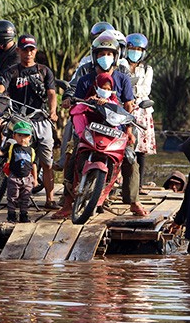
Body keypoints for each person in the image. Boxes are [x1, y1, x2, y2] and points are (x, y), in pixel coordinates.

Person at [52, 32, 147, 219]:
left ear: (116, 56)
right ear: (94, 56)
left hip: (116, 128)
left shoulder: (123, 79)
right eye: (101, 54)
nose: (105, 58)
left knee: (130, 159)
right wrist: (70, 101)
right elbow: (77, 101)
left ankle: (134, 201)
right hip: (89, 127)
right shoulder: (85, 80)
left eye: (109, 54)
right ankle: (68, 203)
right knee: (72, 155)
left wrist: (129, 131)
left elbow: (128, 105)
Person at [0, 34, 59, 209]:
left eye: (31, 50)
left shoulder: (44, 71)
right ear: (19, 51)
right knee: (9, 147)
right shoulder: (12, 71)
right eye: (25, 50)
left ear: (35, 51)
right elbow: (2, 85)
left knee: (47, 160)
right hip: (19, 118)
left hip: (41, 118)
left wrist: (53, 111)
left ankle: (50, 199)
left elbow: (52, 93)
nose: (28, 53)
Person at [125, 33, 157, 190]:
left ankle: (138, 186)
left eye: (138, 49)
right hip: (124, 108)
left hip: (141, 110)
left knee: (141, 151)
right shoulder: (120, 64)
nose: (135, 52)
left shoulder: (147, 69)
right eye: (132, 48)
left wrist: (131, 88)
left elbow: (146, 89)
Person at [4, 121, 37, 223]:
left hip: (27, 177)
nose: (22, 138)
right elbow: (2, 154)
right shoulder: (12, 147)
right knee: (12, 196)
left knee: (25, 197)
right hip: (14, 176)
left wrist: (35, 179)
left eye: (26, 136)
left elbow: (33, 165)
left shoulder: (31, 150)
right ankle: (11, 215)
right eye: (19, 135)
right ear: (14, 136)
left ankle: (24, 215)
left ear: (30, 137)